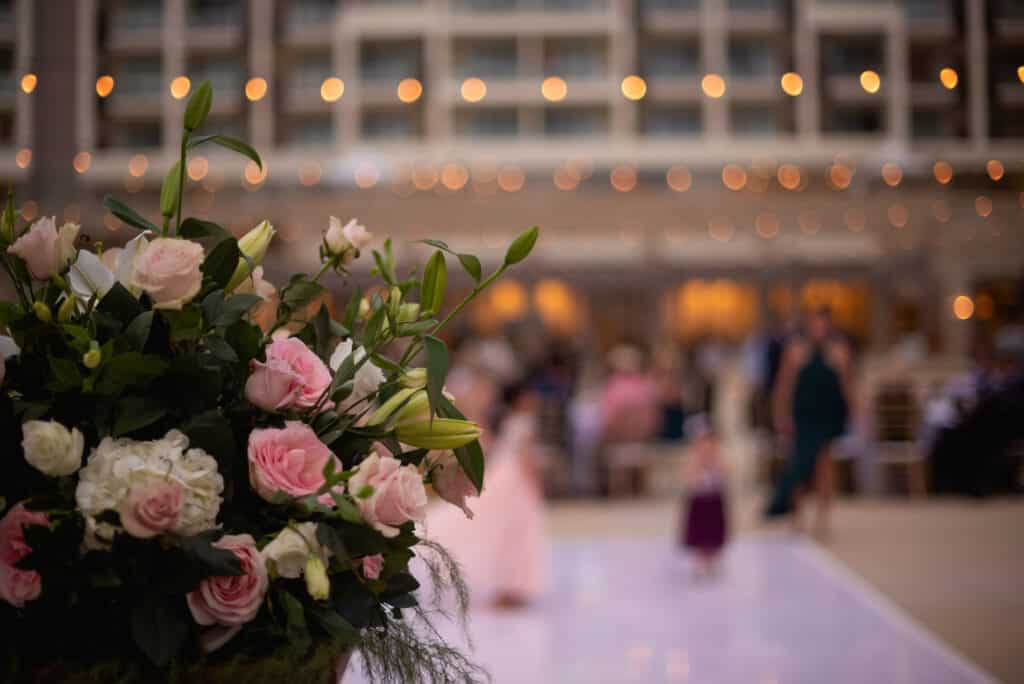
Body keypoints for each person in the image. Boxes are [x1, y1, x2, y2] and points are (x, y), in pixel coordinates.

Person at [425, 381, 548, 609]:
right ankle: (513, 585)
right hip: (515, 478)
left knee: (505, 532)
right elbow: (526, 456)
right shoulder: (523, 422)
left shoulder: (510, 421)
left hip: (504, 473)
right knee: (516, 532)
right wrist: (536, 483)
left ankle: (510, 585)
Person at [766, 308, 854, 537]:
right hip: (803, 415)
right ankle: (797, 516)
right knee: (799, 464)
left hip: (827, 414)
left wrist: (855, 411)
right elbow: (784, 385)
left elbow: (847, 384)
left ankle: (822, 519)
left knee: (825, 465)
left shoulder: (838, 350)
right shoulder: (796, 350)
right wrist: (780, 414)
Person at [680, 415, 729, 578]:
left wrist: (715, 465)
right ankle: (701, 561)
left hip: (714, 500)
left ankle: (712, 560)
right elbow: (688, 479)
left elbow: (726, 473)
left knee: (714, 532)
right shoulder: (693, 460)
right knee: (700, 532)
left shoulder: (719, 460)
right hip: (700, 501)